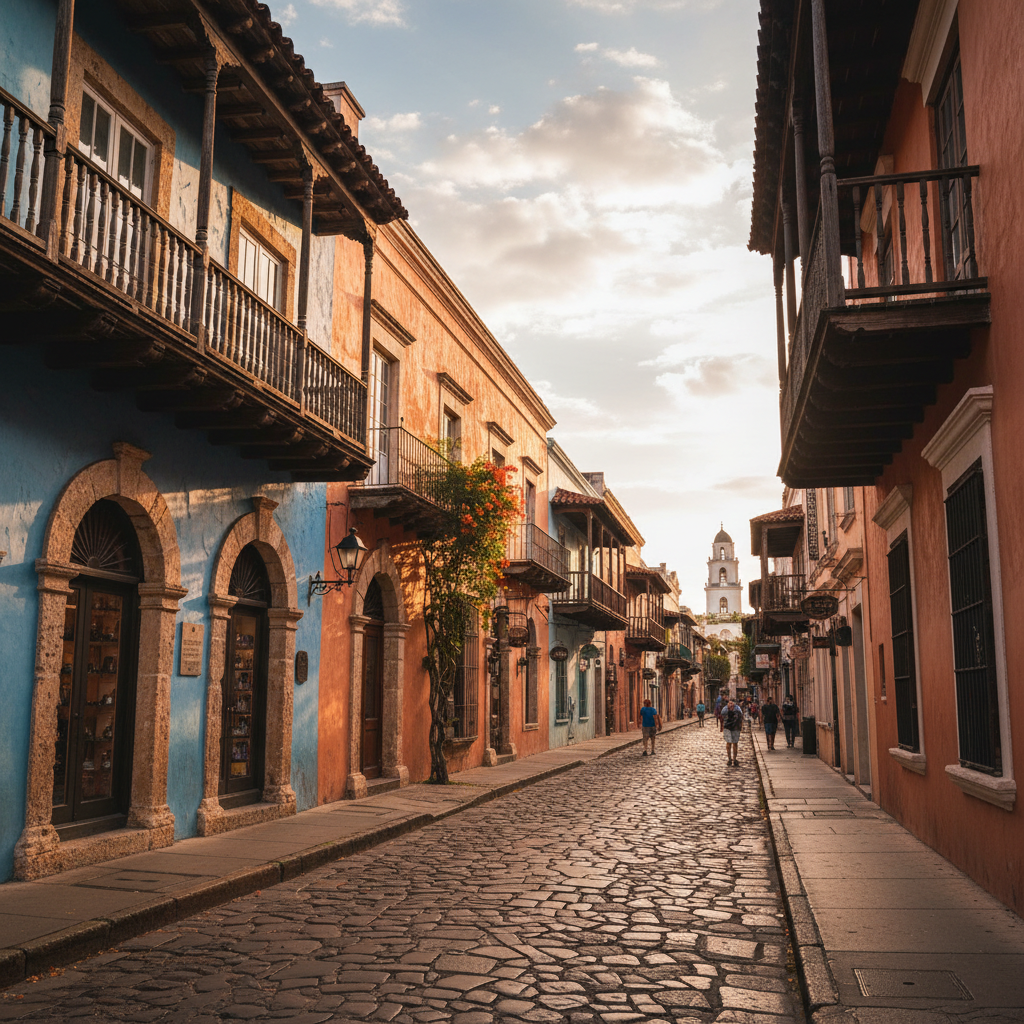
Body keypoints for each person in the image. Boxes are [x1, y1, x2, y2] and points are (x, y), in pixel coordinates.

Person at [722, 699, 744, 767]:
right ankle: (729, 758)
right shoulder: (725, 709)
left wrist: (741, 726)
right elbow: (722, 716)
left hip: (735, 728)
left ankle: (734, 759)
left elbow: (741, 717)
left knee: (735, 743)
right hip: (727, 728)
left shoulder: (737, 708)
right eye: (729, 703)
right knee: (728, 743)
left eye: (732, 703)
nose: (731, 704)